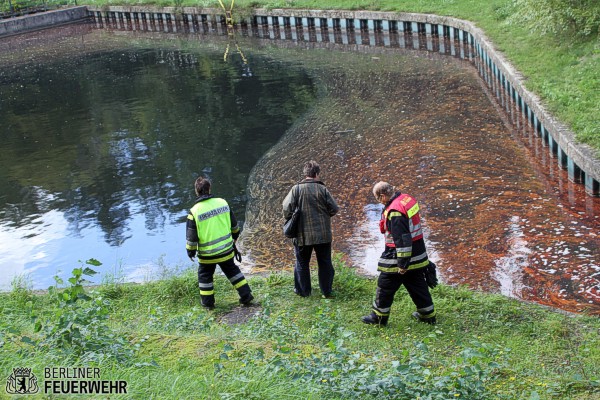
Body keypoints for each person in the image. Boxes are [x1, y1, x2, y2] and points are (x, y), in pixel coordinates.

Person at [361, 181, 436, 325]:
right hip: (418, 253)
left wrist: (402, 264)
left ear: (383, 196)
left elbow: (402, 239)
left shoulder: (395, 211)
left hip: (400, 257)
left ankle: (379, 318)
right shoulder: (406, 199)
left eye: (378, 199)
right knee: (418, 285)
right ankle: (428, 316)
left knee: (385, 285)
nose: (379, 202)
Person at [186, 177, 253, 309]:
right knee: (232, 271)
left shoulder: (194, 211)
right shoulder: (223, 203)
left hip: (207, 255)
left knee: (205, 277)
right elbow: (235, 226)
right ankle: (246, 295)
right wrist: (234, 237)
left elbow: (191, 237)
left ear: (196, 191)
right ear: (209, 188)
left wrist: (191, 251)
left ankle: (208, 303)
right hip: (226, 250)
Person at [282, 160, 339, 298]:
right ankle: (326, 291)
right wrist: (325, 216)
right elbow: (334, 208)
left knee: (302, 263)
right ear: (317, 174)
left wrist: (293, 217)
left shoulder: (296, 189)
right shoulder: (322, 189)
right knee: (325, 263)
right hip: (323, 235)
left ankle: (304, 292)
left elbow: (286, 208)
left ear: (305, 173)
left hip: (302, 235)